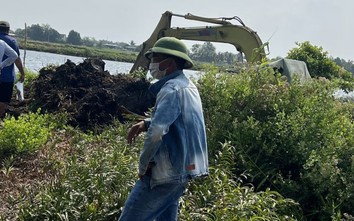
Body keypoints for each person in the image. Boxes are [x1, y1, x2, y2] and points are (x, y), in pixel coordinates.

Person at [118, 37, 209, 221]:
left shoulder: (171, 90)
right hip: (185, 170)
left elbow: (158, 132)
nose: (151, 64)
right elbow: (182, 121)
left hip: (166, 172)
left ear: (169, 63)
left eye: (155, 58)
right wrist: (146, 123)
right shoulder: (188, 86)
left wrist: (143, 165)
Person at [0, 20, 25, 117]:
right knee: (3, 101)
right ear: (8, 30)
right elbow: (16, 58)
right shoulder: (11, 41)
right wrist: (22, 73)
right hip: (7, 77)